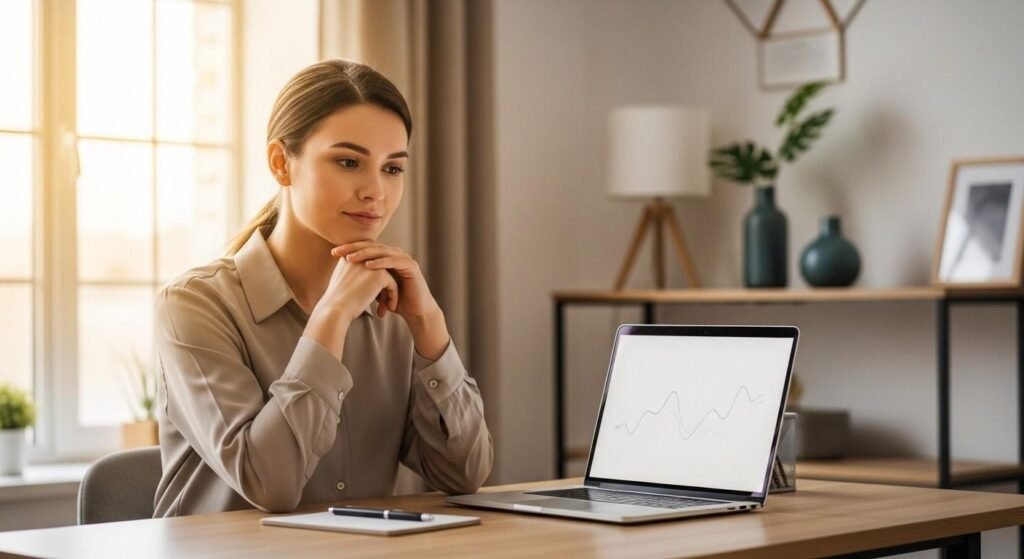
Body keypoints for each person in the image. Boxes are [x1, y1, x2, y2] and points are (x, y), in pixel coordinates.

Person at [152, 59, 493, 516]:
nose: (375, 191)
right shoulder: (194, 306)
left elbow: (465, 474)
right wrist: (330, 319)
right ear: (281, 163)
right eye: (348, 162)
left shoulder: (394, 311)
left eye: (393, 169)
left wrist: (430, 326)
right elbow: (269, 483)